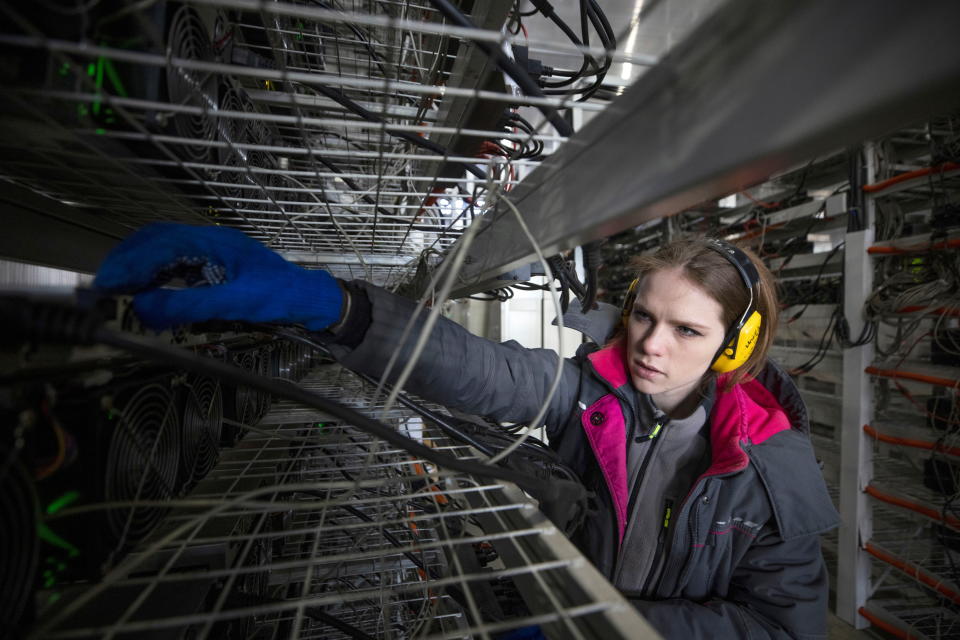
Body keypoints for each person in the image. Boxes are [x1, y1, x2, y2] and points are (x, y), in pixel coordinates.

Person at [95, 223, 840, 639]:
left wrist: (594, 628)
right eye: (644, 316)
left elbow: (782, 630)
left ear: (735, 345)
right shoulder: (592, 398)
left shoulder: (769, 473)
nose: (652, 344)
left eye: (686, 329)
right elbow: (475, 368)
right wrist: (336, 308)